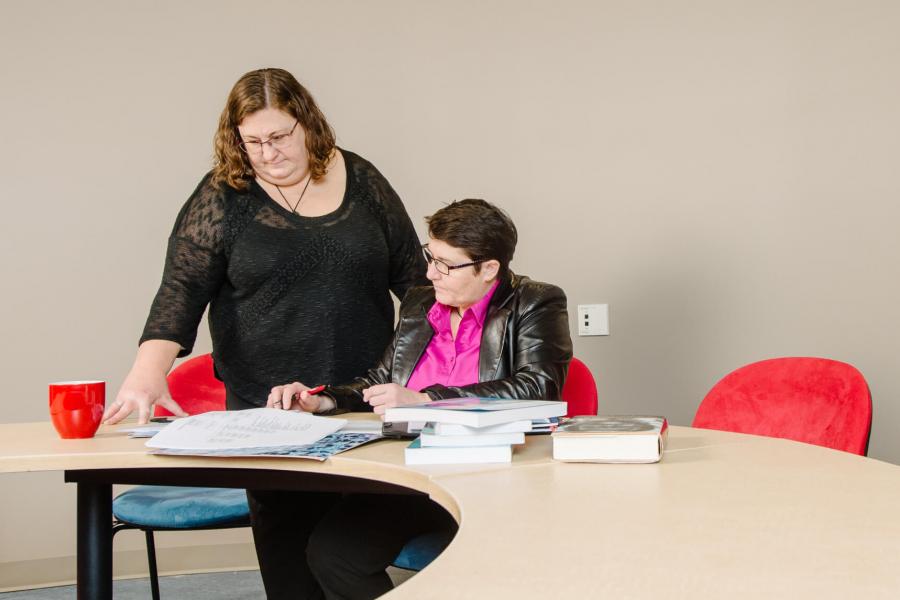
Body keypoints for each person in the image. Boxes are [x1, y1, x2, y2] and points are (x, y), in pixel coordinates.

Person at [101, 67, 426, 598]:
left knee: (351, 552)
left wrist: (441, 368)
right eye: (252, 142)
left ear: (308, 124)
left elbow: (417, 286)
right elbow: (181, 289)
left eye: (279, 137)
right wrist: (147, 370)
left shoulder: (363, 180)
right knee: (292, 560)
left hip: (362, 397)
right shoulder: (224, 195)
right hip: (267, 408)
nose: (268, 153)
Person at [268, 198, 573, 599]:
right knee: (332, 553)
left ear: (489, 269)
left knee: (480, 573)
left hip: (493, 479)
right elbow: (379, 382)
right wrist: (322, 401)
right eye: (430, 257)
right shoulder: (420, 303)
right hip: (409, 475)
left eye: (446, 264)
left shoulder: (535, 302)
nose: (431, 272)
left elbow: (538, 386)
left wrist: (427, 398)